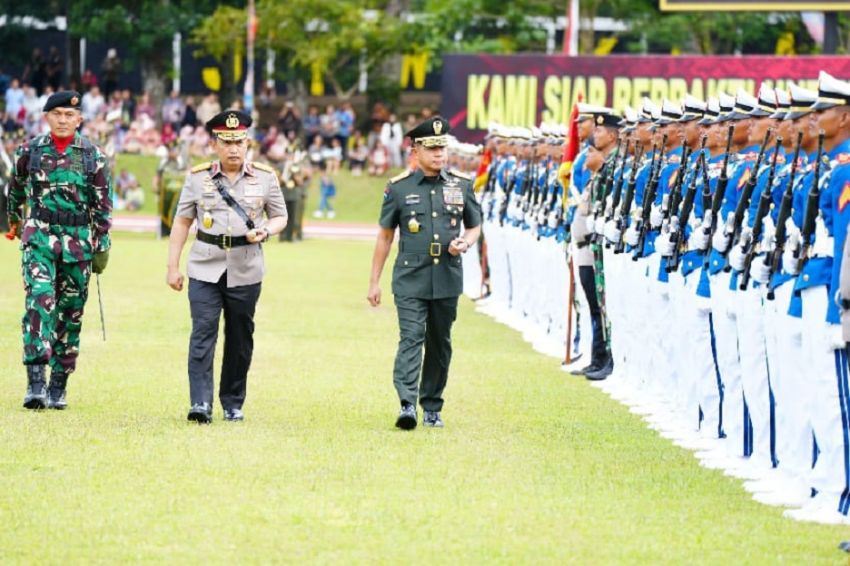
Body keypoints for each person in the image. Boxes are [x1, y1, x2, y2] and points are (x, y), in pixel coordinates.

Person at [166, 110, 288, 424]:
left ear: (248, 143)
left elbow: (280, 216)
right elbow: (181, 222)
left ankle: (233, 402)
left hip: (246, 268)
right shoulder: (197, 178)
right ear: (215, 144)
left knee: (240, 337)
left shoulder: (265, 177)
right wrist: (172, 267)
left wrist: (266, 231)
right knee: (203, 333)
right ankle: (200, 403)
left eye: (239, 141)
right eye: (226, 141)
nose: (233, 148)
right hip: (205, 266)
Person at [367, 116, 482, 430]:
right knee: (411, 337)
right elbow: (385, 236)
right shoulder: (399, 188)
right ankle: (407, 403)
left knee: (440, 341)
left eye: (442, 147)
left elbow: (474, 225)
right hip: (410, 277)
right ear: (414, 150)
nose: (439, 154)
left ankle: (432, 405)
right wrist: (374, 281)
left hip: (447, 275)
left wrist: (466, 242)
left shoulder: (461, 184)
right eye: (431, 148)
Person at [5, 90, 113, 410]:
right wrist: (13, 222)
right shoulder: (31, 150)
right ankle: (35, 382)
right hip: (39, 236)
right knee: (39, 301)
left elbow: (103, 205)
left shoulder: (93, 155)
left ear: (79, 119)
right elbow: (15, 189)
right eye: (57, 114)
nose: (63, 120)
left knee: (70, 313)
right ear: (47, 117)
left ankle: (58, 385)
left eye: (70, 115)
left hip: (78, 243)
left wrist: (101, 245)